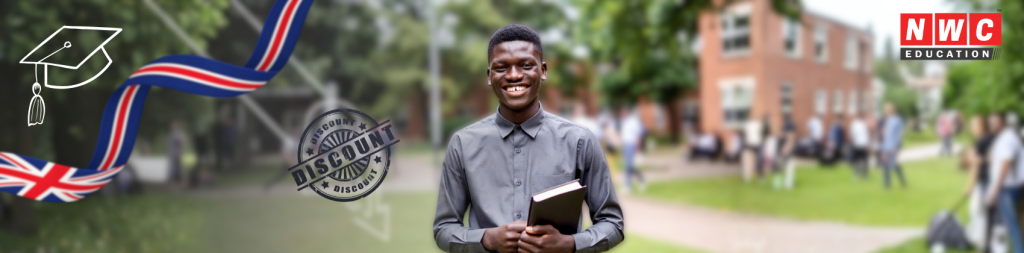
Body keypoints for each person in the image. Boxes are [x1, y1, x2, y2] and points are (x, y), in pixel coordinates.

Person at [433, 24, 623, 253]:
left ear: (542, 71)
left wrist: (569, 244)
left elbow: (613, 223)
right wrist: (487, 239)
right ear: (489, 76)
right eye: (501, 67)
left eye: (525, 65)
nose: (514, 76)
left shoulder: (579, 141)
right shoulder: (463, 144)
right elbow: (444, 229)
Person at [985, 112, 1024, 253]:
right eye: (990, 122)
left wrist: (995, 189)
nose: (991, 125)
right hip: (1007, 188)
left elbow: (1006, 163)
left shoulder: (1007, 138)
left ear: (1003, 122)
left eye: (995, 122)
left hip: (1007, 189)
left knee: (1012, 226)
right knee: (1005, 225)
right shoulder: (1005, 137)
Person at [963, 115, 994, 252]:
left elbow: (975, 166)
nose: (971, 128)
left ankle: (980, 242)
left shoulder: (982, 142)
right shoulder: (985, 140)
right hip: (986, 182)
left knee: (976, 211)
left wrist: (969, 186)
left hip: (985, 182)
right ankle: (979, 240)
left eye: (973, 125)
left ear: (980, 126)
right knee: (979, 212)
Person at [620, 106, 647, 192]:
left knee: (628, 166)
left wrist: (638, 147)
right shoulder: (624, 122)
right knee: (629, 166)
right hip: (626, 145)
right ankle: (642, 180)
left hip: (632, 144)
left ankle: (628, 186)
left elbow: (638, 134)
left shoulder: (633, 121)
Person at [880, 103, 907, 189]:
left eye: (887, 111)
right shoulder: (887, 120)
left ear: (892, 111)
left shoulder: (897, 120)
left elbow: (900, 134)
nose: (886, 112)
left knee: (894, 165)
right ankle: (887, 184)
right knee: (885, 164)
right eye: (885, 111)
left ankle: (903, 181)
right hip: (886, 145)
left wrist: (897, 145)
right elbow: (886, 134)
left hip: (893, 146)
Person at [850, 112, 871, 179]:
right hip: (860, 144)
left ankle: (860, 175)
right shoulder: (859, 124)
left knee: (860, 161)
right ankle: (861, 175)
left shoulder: (857, 124)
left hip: (860, 144)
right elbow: (866, 135)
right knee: (861, 161)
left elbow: (853, 135)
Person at [743, 116, 765, 182]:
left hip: (758, 144)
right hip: (749, 144)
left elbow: (762, 133)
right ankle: (748, 176)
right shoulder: (747, 124)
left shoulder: (759, 124)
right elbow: (745, 134)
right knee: (748, 161)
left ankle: (761, 177)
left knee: (759, 161)